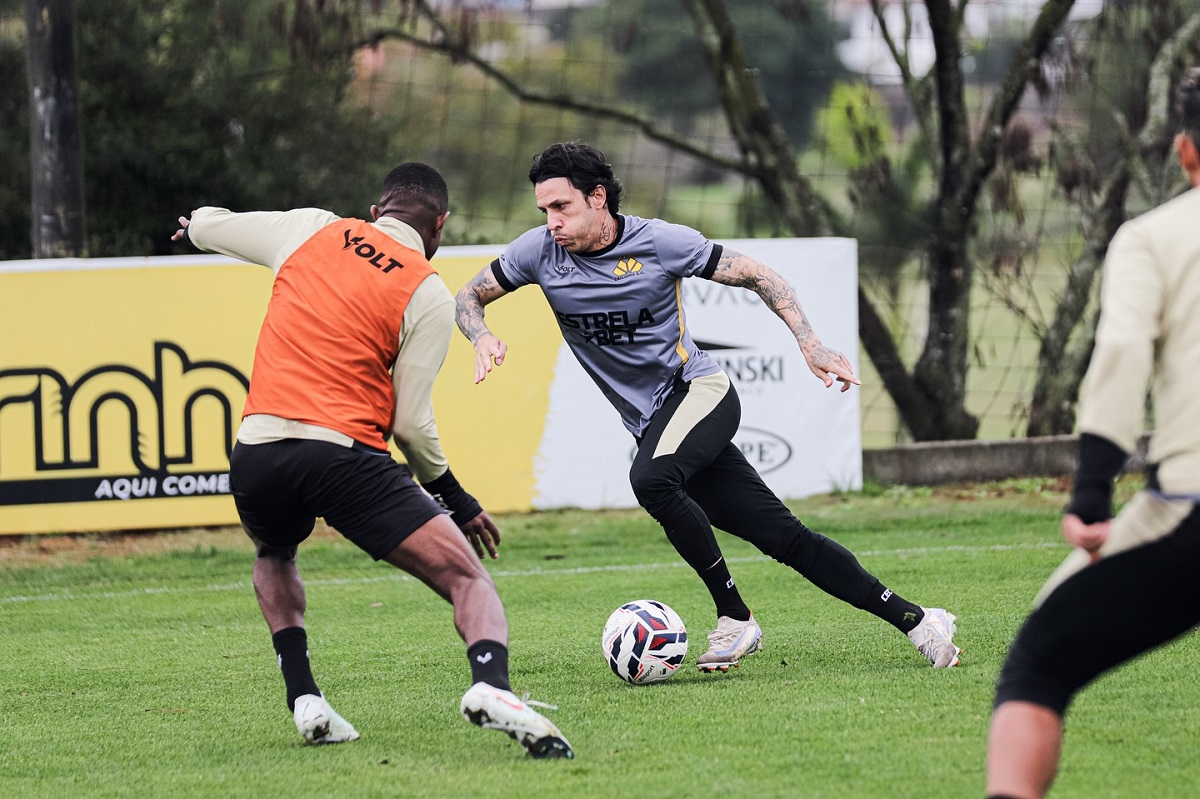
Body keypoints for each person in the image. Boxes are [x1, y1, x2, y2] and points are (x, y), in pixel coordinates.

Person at [454, 141, 960, 673]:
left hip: (699, 393)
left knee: (650, 480)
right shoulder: (538, 253)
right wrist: (482, 336)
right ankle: (921, 622)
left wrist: (810, 343)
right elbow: (468, 298)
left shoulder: (660, 243)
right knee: (785, 539)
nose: (551, 222)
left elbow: (762, 276)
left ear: (598, 197)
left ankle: (734, 617)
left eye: (562, 207)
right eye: (544, 211)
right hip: (655, 420)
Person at [170, 163, 572, 759]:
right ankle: (492, 686)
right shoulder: (427, 289)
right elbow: (410, 424)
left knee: (274, 550)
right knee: (467, 578)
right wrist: (459, 502)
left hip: (255, 452)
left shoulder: (310, 229)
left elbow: (211, 225)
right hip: (340, 457)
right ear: (439, 225)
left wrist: (197, 226)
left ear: (377, 207)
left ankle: (305, 697)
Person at [986, 67, 1200, 799]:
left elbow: (1121, 356)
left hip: (1188, 512)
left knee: (1037, 667)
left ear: (1184, 152)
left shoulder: (1153, 237)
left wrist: (1089, 493)